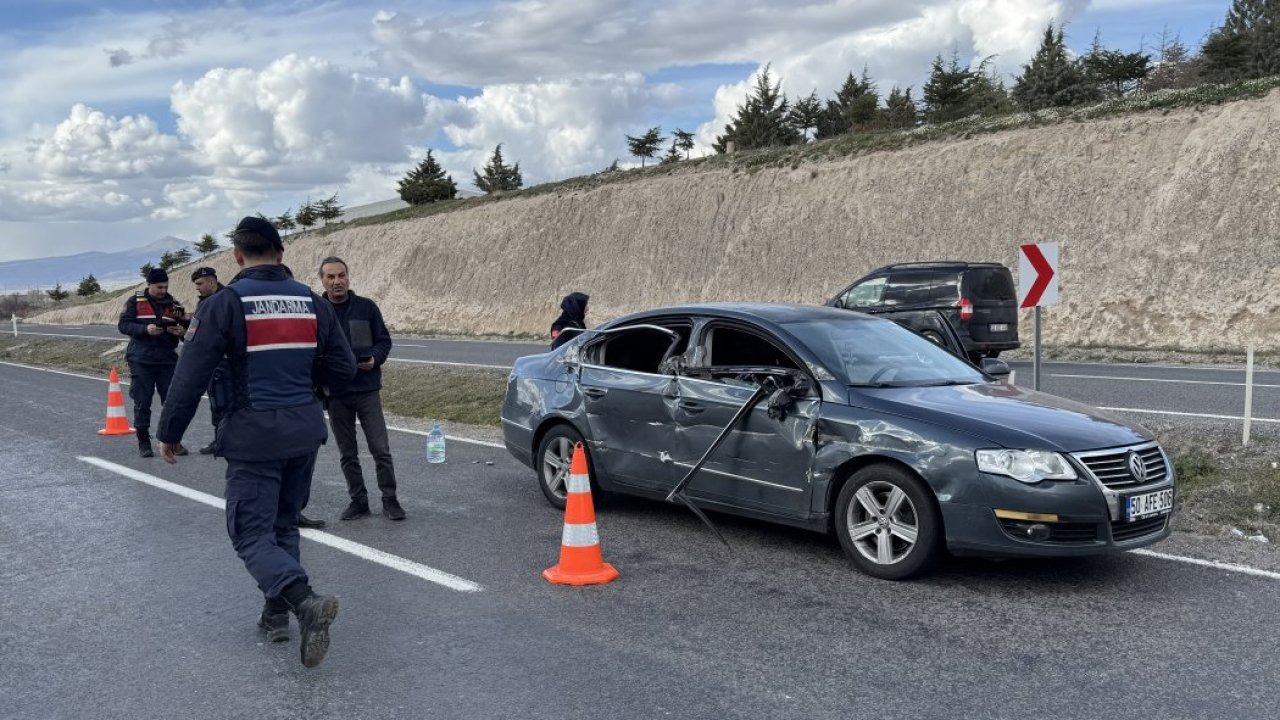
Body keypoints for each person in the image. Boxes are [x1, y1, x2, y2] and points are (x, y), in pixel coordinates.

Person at [156, 216, 356, 668]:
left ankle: (304, 602)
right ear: (282, 255)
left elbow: (190, 375)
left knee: (249, 531)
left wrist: (170, 432)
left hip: (253, 435)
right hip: (304, 431)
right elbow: (343, 370)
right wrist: (307, 394)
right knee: (283, 525)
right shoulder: (312, 301)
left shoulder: (224, 304)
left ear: (238, 256)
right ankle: (275, 616)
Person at [318, 256, 404, 522]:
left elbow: (383, 341)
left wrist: (375, 358)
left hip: (367, 390)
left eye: (341, 275)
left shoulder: (367, 308)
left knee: (380, 449)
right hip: (336, 394)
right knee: (348, 453)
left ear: (348, 277)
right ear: (322, 280)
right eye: (330, 277)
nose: (337, 281)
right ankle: (358, 501)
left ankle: (390, 500)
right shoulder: (318, 311)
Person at [118, 267, 189, 458]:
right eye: (159, 287)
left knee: (172, 402)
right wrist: (145, 329)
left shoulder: (174, 304)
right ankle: (144, 443)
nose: (163, 290)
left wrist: (181, 332)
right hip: (141, 360)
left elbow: (187, 331)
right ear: (149, 285)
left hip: (167, 360)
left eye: (166, 286)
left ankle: (173, 441)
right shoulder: (135, 301)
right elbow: (123, 325)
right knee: (143, 401)